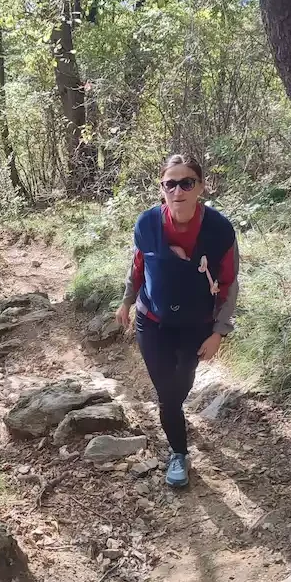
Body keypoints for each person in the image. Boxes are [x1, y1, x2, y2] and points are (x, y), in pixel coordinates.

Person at [115, 154, 239, 488]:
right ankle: (178, 453)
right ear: (162, 188)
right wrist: (127, 301)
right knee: (168, 395)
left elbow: (228, 284)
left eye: (187, 182)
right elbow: (138, 267)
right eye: (170, 183)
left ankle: (175, 414)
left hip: (196, 324)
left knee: (183, 379)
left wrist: (218, 332)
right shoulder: (147, 224)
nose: (178, 190)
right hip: (152, 320)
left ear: (200, 187)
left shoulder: (219, 230)